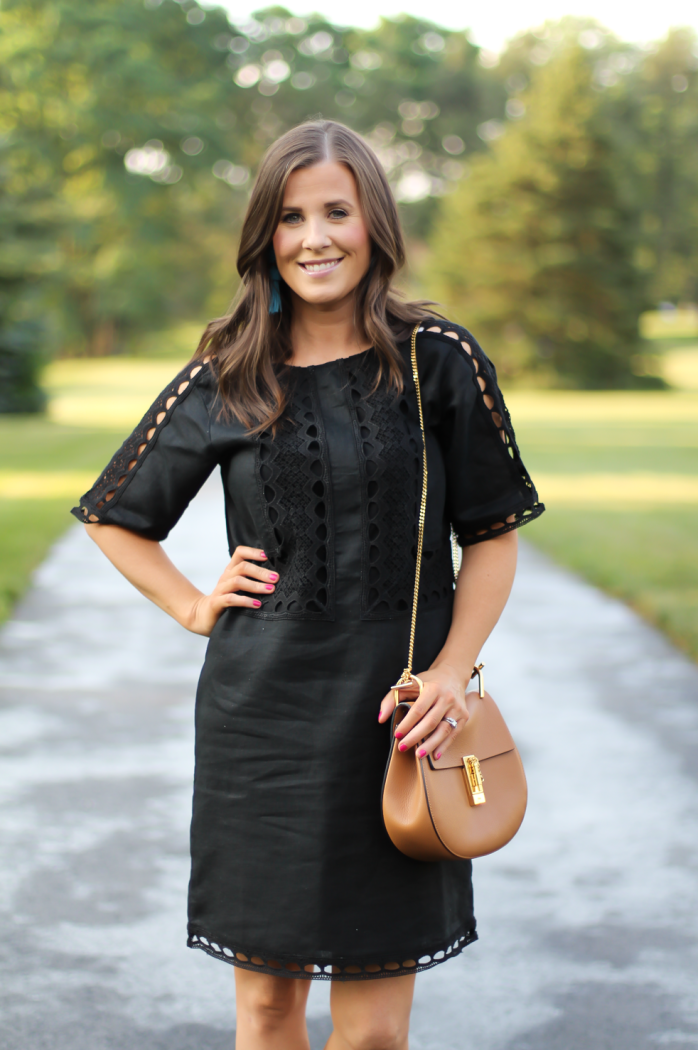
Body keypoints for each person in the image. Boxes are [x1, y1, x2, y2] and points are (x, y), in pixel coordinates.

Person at [73, 120, 544, 1050]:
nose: (314, 237)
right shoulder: (229, 367)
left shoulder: (435, 358)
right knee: (267, 1008)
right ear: (265, 233)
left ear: (374, 221)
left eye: (337, 210)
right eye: (291, 217)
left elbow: (490, 534)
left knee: (372, 1028)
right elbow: (115, 515)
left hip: (396, 722)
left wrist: (451, 673)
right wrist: (191, 604)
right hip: (264, 727)